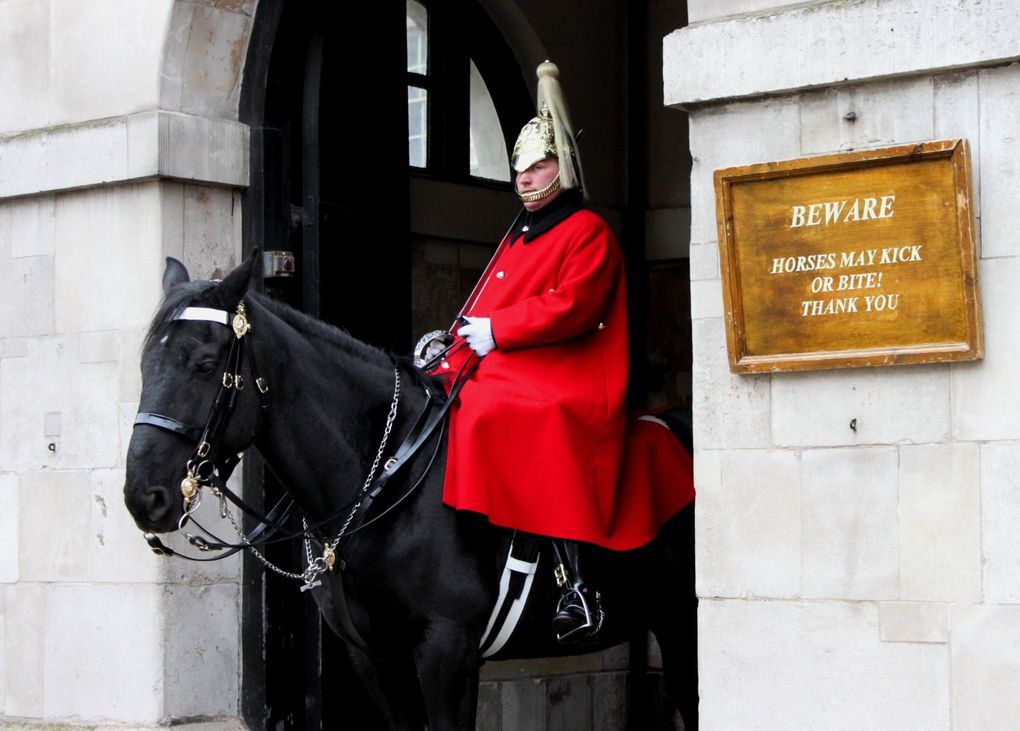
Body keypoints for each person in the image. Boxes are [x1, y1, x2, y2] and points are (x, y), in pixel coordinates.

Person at [422, 61, 694, 645]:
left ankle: (576, 583)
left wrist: (498, 332)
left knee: (500, 409)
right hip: (515, 358)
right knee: (439, 391)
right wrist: (455, 339)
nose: (524, 177)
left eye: (538, 165)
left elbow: (573, 306)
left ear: (562, 167)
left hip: (571, 375)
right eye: (518, 168)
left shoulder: (587, 230)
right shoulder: (519, 231)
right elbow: (485, 300)